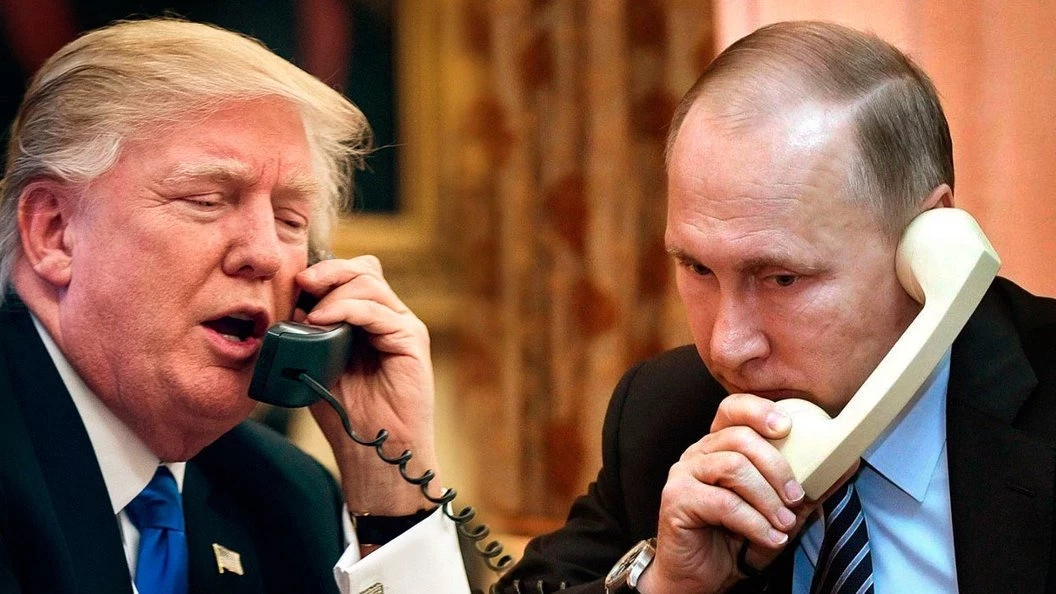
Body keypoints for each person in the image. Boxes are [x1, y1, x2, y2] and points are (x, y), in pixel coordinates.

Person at [494, 20, 1056, 594]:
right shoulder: (667, 417)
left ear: (929, 245)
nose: (726, 348)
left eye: (782, 278)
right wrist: (665, 584)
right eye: (697, 269)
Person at [0, 18, 471, 594]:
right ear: (54, 233)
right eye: (206, 200)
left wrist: (393, 497)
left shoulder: (286, 496)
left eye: (290, 219)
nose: (265, 255)